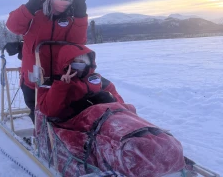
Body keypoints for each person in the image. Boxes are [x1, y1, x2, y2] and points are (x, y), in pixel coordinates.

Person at [36, 44, 185, 177]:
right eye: (75, 62)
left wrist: (108, 99)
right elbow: (50, 110)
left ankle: (154, 141)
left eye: (83, 62)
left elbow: (119, 104)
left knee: (130, 127)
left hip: (108, 116)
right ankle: (135, 152)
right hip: (80, 121)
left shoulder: (99, 80)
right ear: (65, 64)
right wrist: (62, 86)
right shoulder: (53, 84)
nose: (80, 66)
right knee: (121, 142)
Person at [6, 0, 88, 123]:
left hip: (61, 79)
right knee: (38, 113)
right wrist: (28, 7)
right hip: (34, 80)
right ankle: (40, 139)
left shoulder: (70, 19)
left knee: (64, 111)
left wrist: (80, 18)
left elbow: (78, 43)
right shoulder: (34, 14)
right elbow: (13, 26)